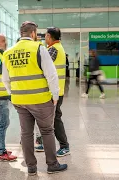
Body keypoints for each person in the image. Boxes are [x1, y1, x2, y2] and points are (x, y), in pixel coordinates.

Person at [2, 21, 68, 176]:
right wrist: (55, 96)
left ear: (21, 34)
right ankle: (52, 164)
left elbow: (6, 79)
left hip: (19, 100)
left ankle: (31, 167)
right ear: (33, 34)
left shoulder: (8, 52)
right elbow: (51, 75)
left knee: (26, 133)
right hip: (40, 99)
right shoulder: (39, 48)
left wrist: (13, 94)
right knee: (47, 130)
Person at [34, 27, 70, 157]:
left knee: (55, 120)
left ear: (49, 36)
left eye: (45, 37)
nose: (44, 39)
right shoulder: (56, 47)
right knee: (49, 119)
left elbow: (41, 65)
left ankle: (64, 146)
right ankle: (46, 142)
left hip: (55, 91)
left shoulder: (53, 49)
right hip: (55, 90)